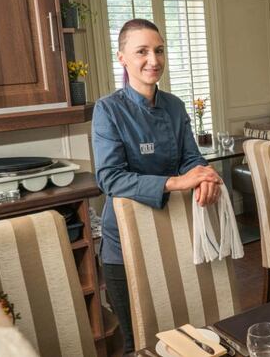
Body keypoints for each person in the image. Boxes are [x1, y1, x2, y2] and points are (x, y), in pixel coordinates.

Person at [92, 18, 222, 353]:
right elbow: (110, 178)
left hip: (174, 232)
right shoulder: (108, 110)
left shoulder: (175, 107)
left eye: (159, 50)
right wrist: (179, 181)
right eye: (142, 51)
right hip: (124, 243)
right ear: (122, 58)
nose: (154, 59)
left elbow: (191, 158)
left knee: (180, 327)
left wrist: (204, 175)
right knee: (139, 341)